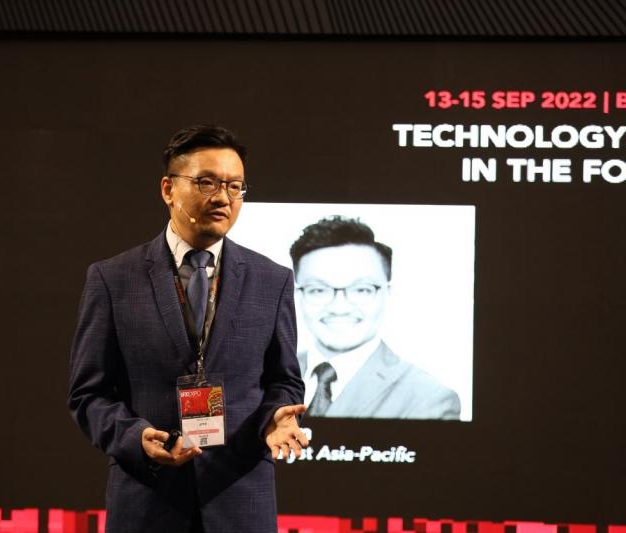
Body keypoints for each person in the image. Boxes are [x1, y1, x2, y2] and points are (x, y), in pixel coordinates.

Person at [69, 125, 308, 533]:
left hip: (240, 504)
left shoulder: (273, 280)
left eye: (235, 186)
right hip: (147, 503)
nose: (223, 198)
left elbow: (283, 381)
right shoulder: (113, 279)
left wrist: (277, 418)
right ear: (168, 189)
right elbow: (88, 393)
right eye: (206, 182)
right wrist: (135, 437)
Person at [289, 215, 460, 420]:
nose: (339, 307)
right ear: (298, 295)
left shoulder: (429, 400)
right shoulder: (266, 375)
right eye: (318, 290)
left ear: (387, 293)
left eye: (361, 289)